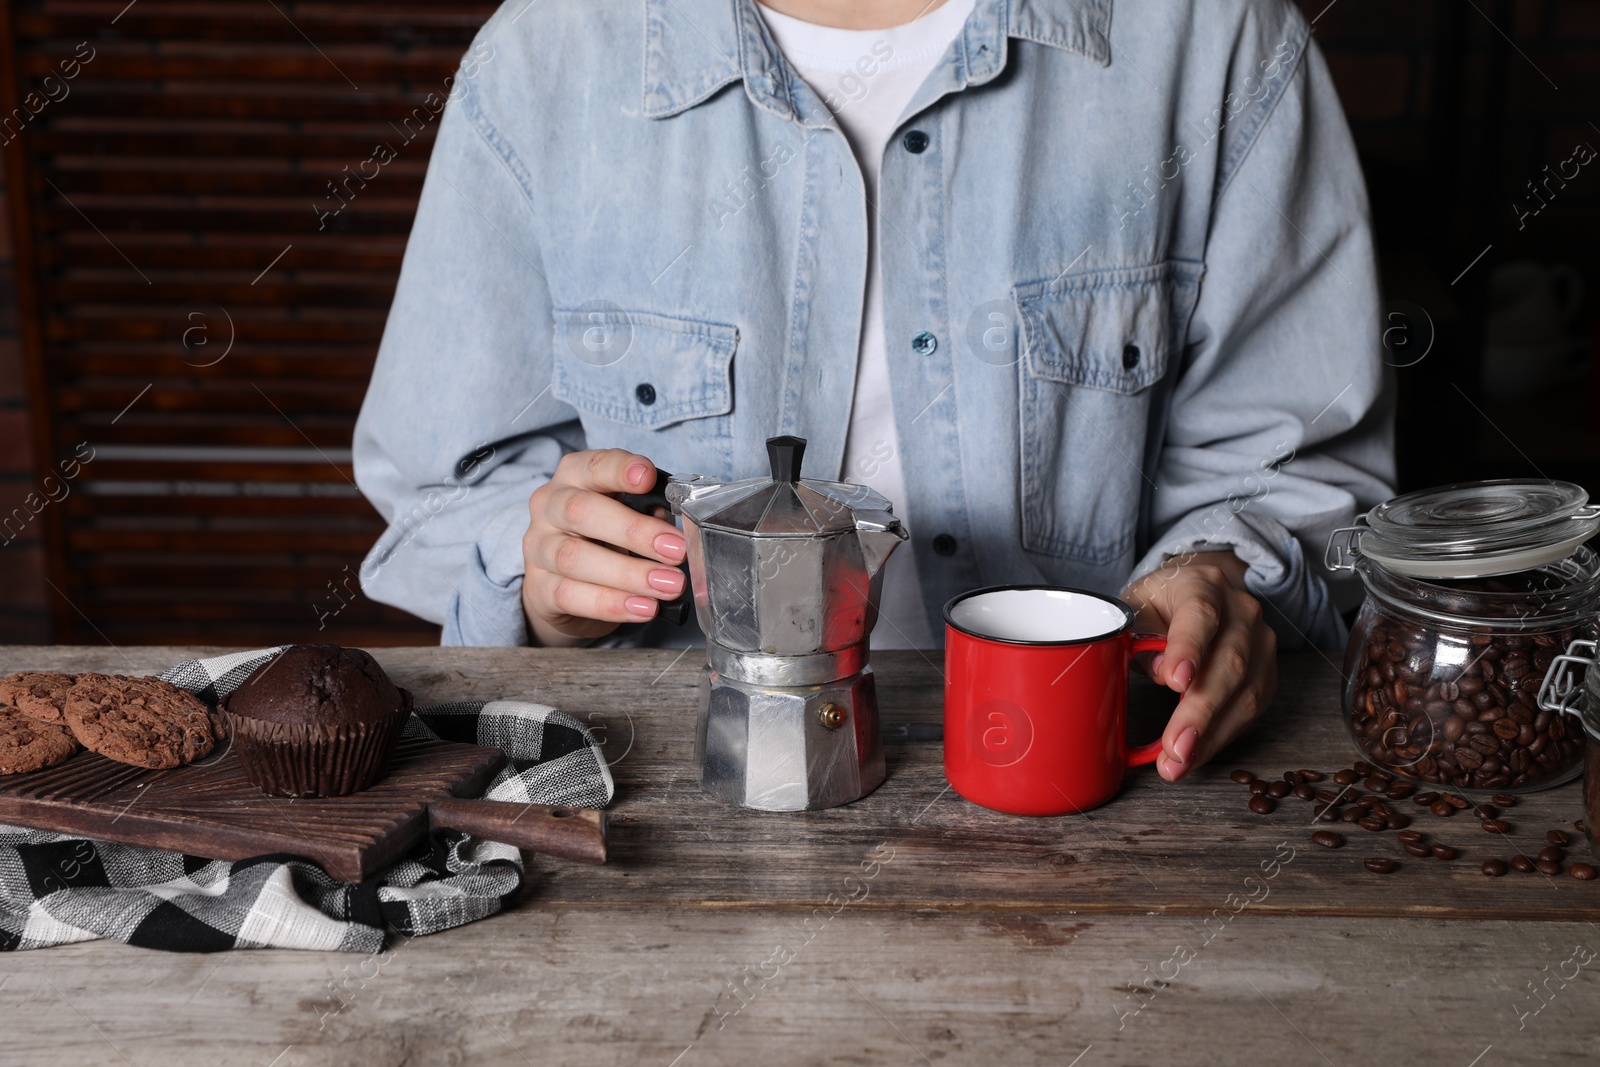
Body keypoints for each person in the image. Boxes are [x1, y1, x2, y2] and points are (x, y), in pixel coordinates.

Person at [353, 0, 1396, 783]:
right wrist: (544, 581)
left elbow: (1296, 467)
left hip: (1098, 789)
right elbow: (445, 484)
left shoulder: (1214, 38)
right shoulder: (548, 53)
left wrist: (1221, 570)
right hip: (661, 795)